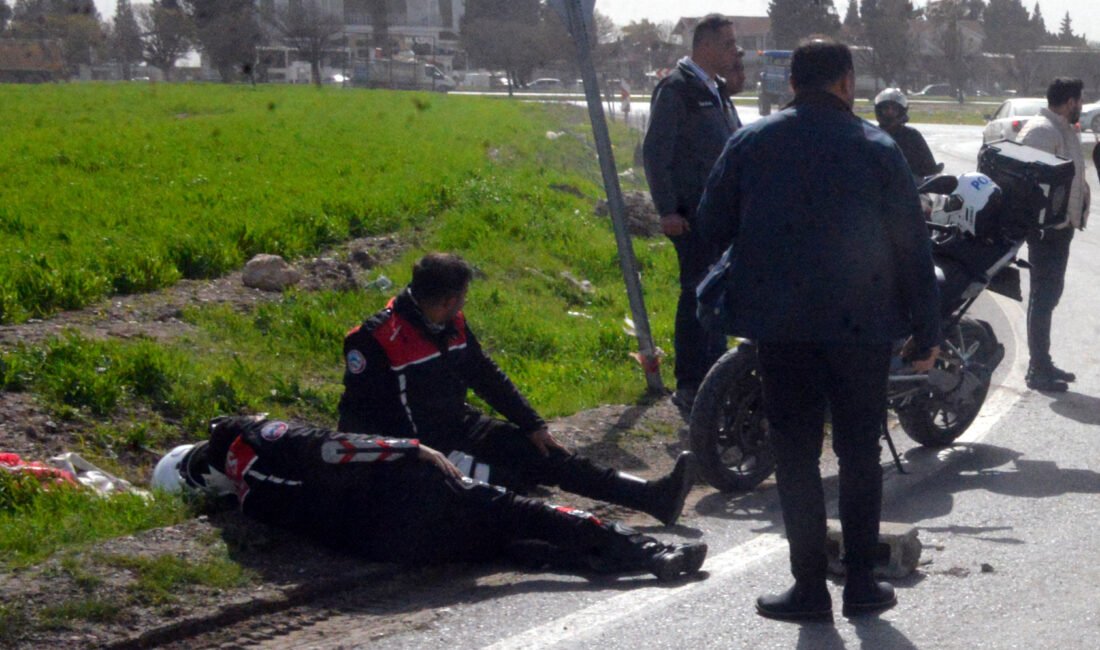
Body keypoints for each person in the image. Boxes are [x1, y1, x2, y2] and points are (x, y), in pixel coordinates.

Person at [695, 38, 941, 620]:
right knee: (859, 454)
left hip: (782, 330)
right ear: (847, 82)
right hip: (862, 330)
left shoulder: (751, 142)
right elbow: (912, 244)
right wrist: (927, 331)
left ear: (791, 85)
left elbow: (709, 228)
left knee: (797, 456)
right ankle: (860, 584)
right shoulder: (878, 148)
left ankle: (808, 589)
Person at [338, 253, 697, 527]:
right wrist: (418, 455)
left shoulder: (451, 322)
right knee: (510, 493)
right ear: (448, 299)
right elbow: (362, 418)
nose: (465, 303)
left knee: (548, 456)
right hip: (424, 453)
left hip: (462, 427)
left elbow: (484, 374)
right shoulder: (374, 341)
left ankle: (653, 497)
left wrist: (532, 424)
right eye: (463, 296)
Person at [150, 416, 707, 581]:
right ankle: (648, 554)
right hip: (405, 493)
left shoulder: (248, 504)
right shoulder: (247, 437)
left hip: (391, 544)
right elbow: (328, 449)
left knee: (505, 542)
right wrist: (409, 448)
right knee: (527, 511)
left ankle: (588, 562)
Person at [642, 14, 741, 415]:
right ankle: (691, 383)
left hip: (720, 214)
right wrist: (667, 209)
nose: (735, 52)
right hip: (691, 215)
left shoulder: (715, 89)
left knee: (716, 293)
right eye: (729, 44)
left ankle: (715, 379)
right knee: (697, 293)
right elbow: (655, 152)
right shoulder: (677, 88)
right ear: (705, 46)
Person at [1017, 78, 1091, 392]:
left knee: (1050, 295)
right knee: (1043, 296)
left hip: (1062, 228)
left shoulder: (1062, 130)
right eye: (1080, 101)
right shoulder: (1042, 132)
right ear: (1070, 101)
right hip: (1047, 231)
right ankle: (1038, 369)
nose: (1082, 108)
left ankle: (1043, 362)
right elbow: (1030, 185)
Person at [873, 88, 942, 179]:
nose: (890, 112)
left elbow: (929, 167)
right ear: (879, 110)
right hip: (877, 187)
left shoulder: (912, 136)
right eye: (886, 108)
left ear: (901, 111)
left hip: (909, 187)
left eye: (894, 109)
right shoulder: (872, 136)